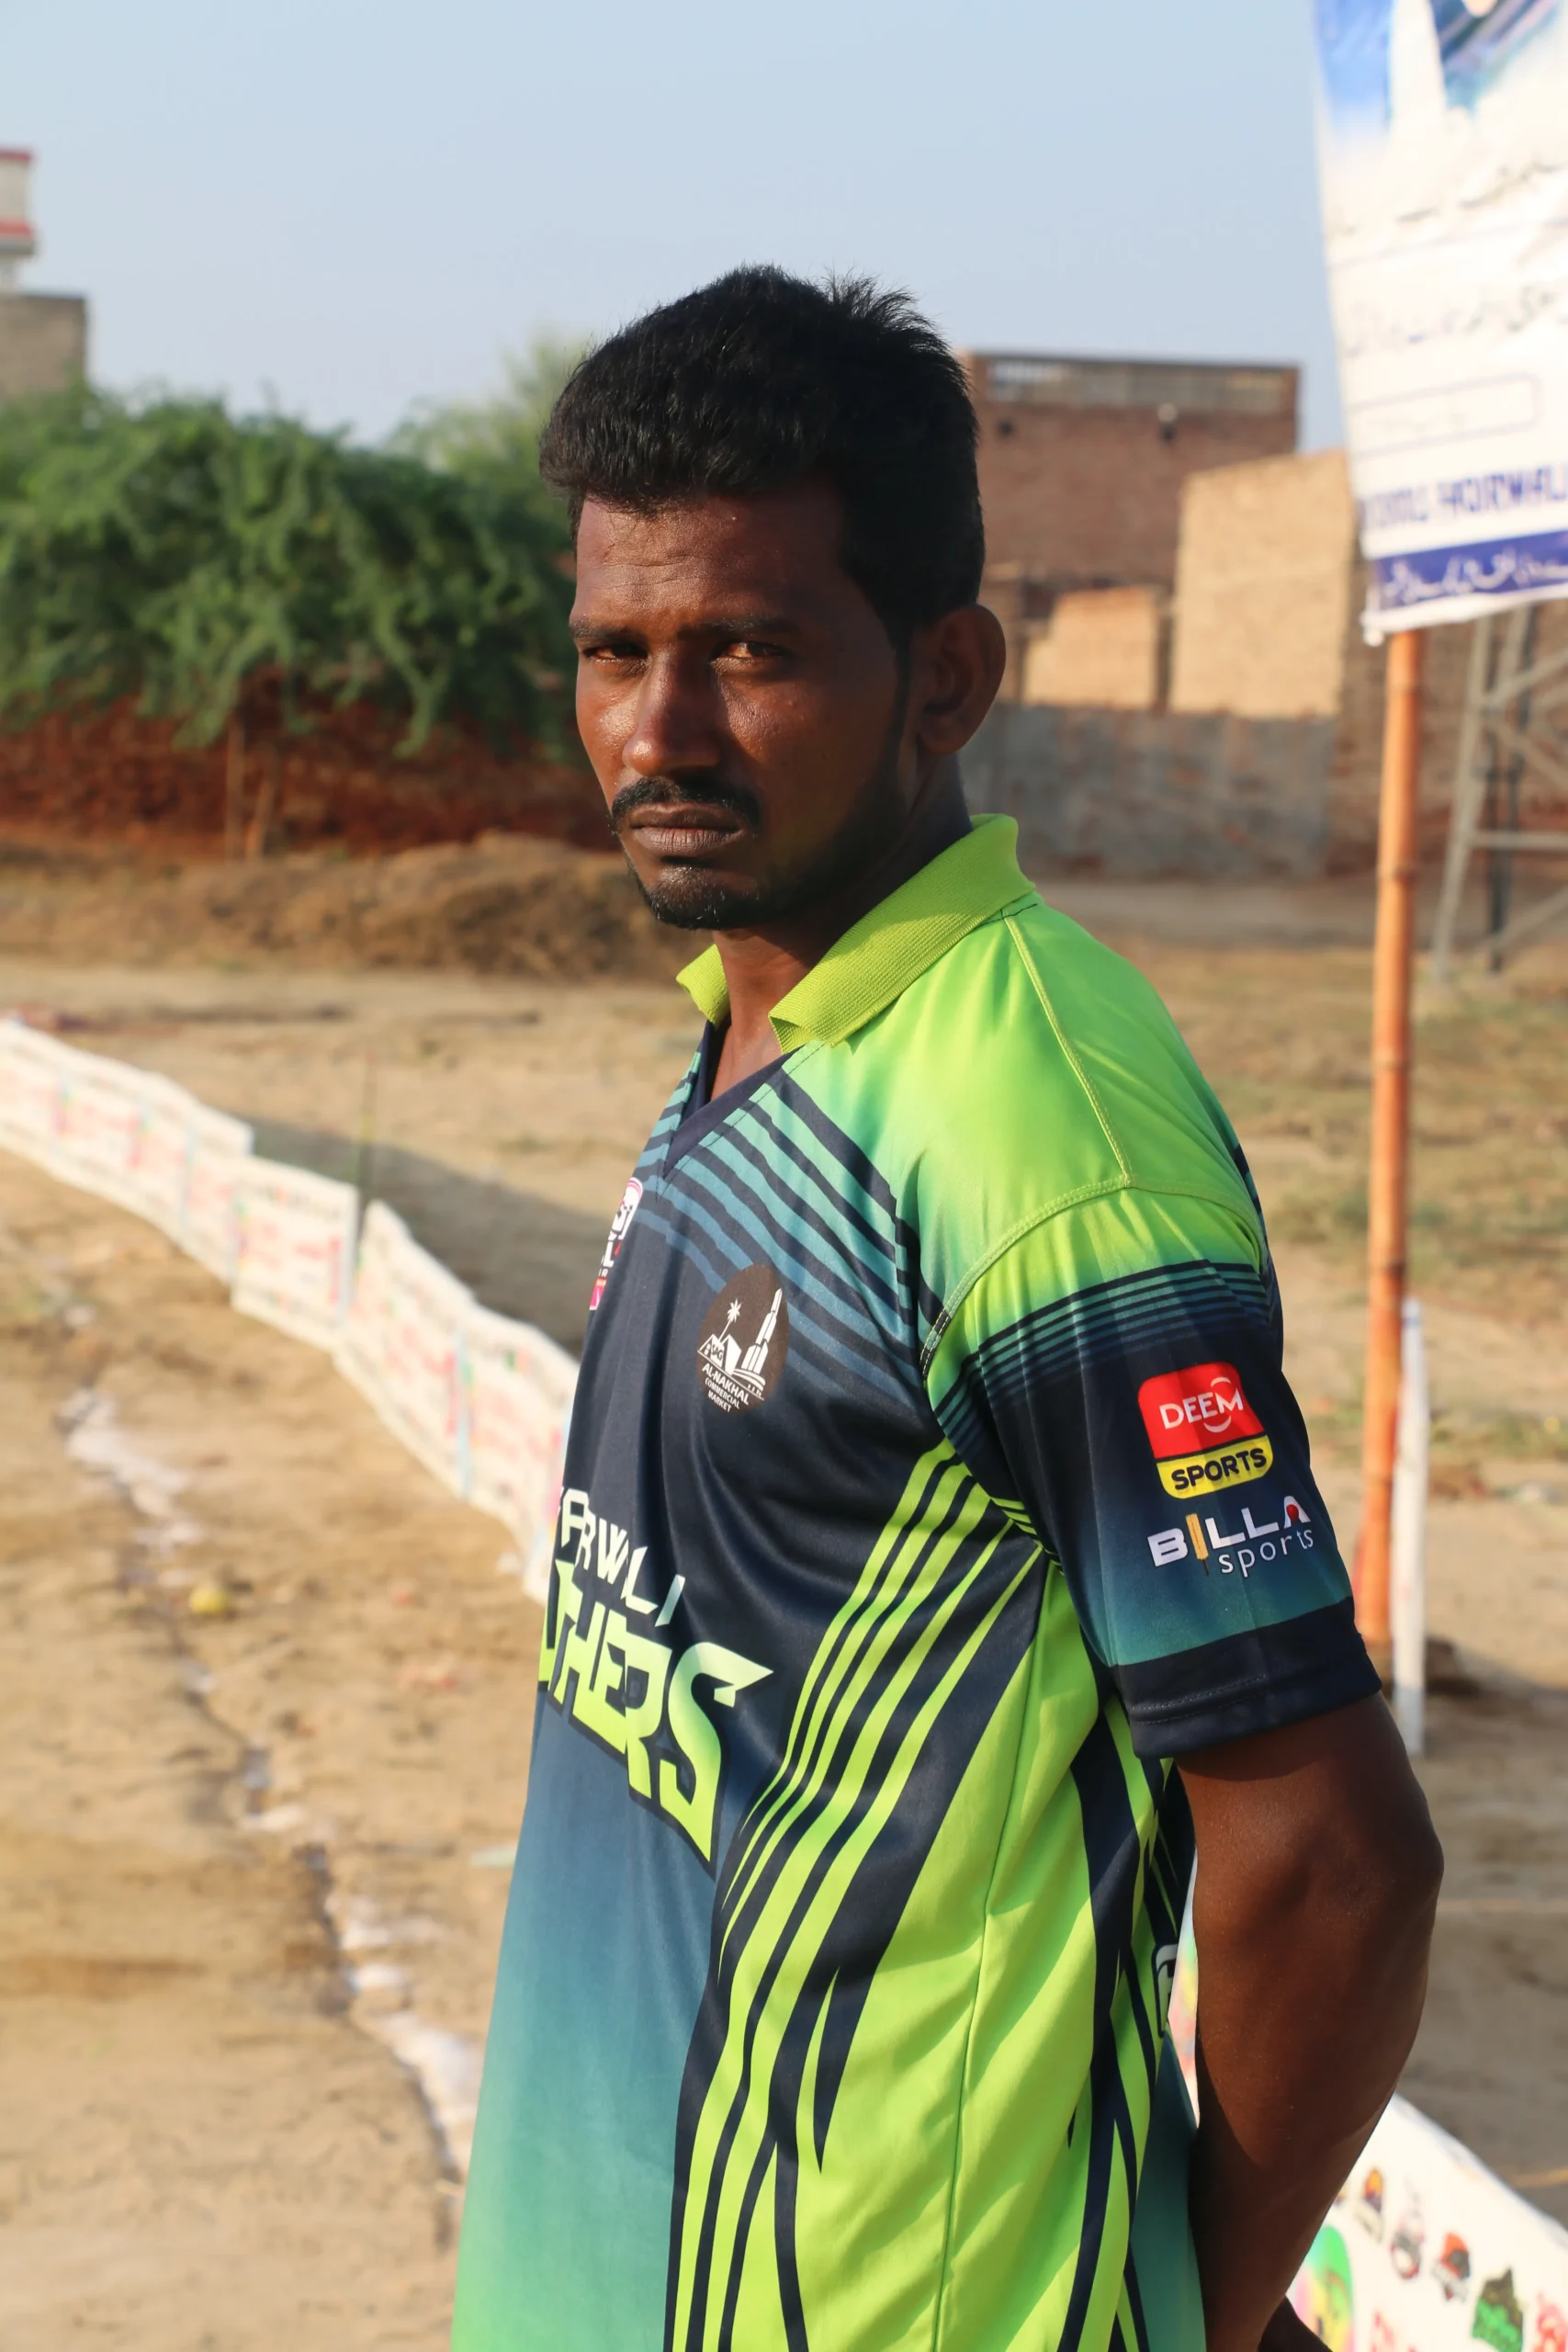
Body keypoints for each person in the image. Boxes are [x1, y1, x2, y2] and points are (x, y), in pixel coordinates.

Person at [452, 267, 1442, 2352]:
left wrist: (1190, 2303)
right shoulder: (764, 1031)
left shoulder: (1032, 1121)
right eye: (615, 652)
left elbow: (1328, 1855)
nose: (657, 732)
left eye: (748, 649)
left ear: (948, 675)